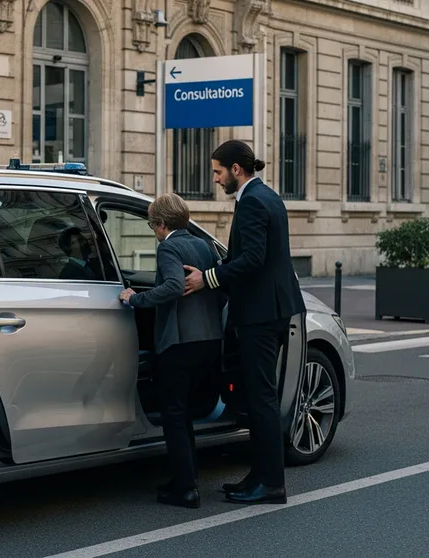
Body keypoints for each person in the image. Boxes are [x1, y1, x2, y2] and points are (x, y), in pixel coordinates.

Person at [183, 140, 306, 506]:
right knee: (257, 397)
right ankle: (260, 475)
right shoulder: (268, 196)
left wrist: (209, 278)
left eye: (219, 171)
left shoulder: (252, 201)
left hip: (260, 314)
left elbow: (252, 259)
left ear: (237, 169)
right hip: (273, 309)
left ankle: (270, 484)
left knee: (262, 399)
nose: (217, 180)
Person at [118, 193, 225, 509]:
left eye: (152, 224)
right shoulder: (203, 246)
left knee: (174, 416)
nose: (153, 230)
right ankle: (184, 479)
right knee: (186, 414)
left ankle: (187, 489)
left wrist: (134, 299)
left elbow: (173, 287)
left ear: (162, 224)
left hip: (178, 343)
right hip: (209, 341)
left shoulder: (168, 247)